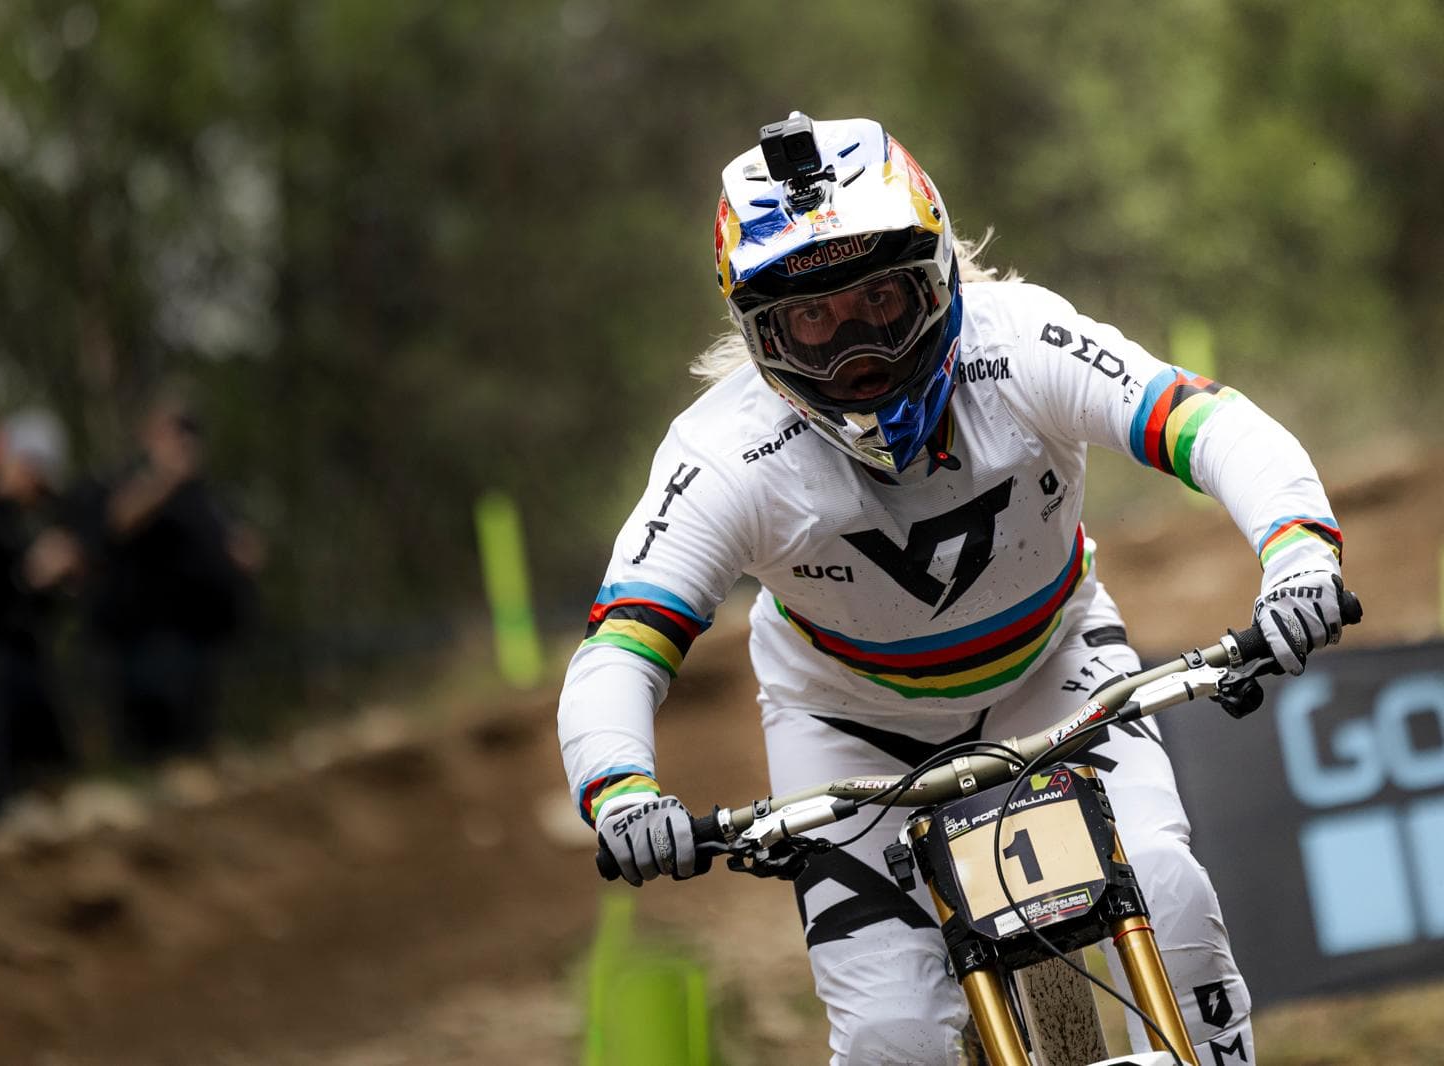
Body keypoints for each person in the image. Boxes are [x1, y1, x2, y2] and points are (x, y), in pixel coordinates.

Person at [557, 113, 1346, 1065]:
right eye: (814, 322)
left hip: (1055, 672)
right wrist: (622, 791)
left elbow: (1210, 425)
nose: (859, 356)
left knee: (1170, 898)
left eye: (880, 300)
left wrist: (1298, 556)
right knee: (890, 1036)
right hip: (847, 730)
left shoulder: (1022, 340)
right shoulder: (723, 454)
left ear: (937, 278)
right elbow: (621, 646)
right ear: (762, 336)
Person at [88, 392, 258, 762]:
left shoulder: (202, 494)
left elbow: (228, 541)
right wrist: (166, 479)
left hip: (198, 637)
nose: (181, 440)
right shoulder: (133, 478)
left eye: (188, 430)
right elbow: (117, 521)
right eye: (172, 431)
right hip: (146, 642)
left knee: (195, 744)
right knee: (157, 749)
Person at [0, 408, 83, 820]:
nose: (37, 493)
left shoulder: (18, 520)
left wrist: (56, 582)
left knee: (47, 759)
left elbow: (35, 605)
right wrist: (30, 573)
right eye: (35, 479)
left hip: (25, 656)